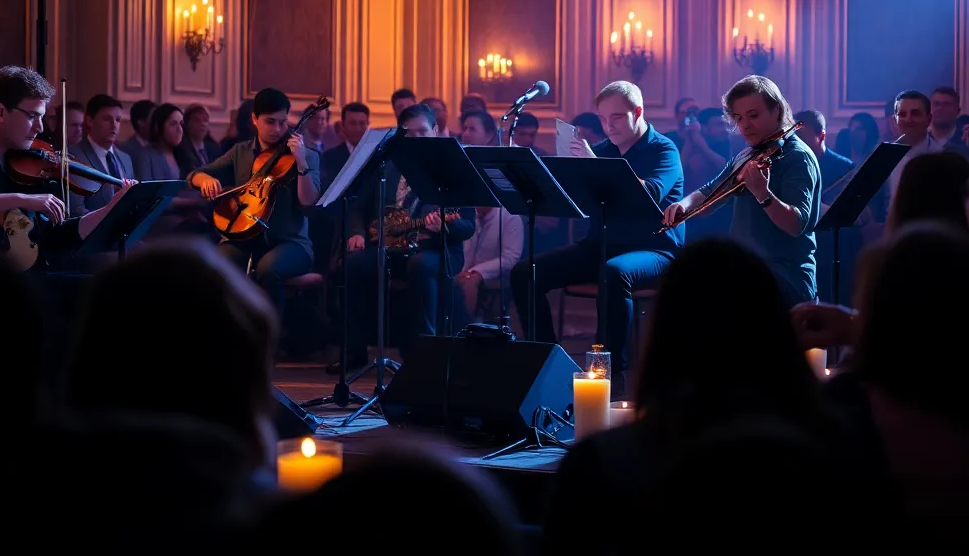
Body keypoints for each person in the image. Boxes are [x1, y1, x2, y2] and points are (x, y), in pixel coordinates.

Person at [509, 81, 683, 393]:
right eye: (602, 119)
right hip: (600, 245)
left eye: (615, 118)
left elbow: (652, 193)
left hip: (654, 249)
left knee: (614, 272)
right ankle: (547, 362)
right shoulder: (600, 151)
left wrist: (595, 166)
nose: (607, 126)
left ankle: (610, 372)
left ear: (638, 112)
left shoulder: (663, 148)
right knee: (525, 272)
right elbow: (574, 201)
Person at [0, 65, 135, 270]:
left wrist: (109, 210)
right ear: (1, 112)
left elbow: (54, 238)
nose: (40, 127)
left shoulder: (31, 164)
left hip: (32, 274)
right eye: (32, 116)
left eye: (42, 117)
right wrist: (23, 199)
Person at [664, 75, 821, 307]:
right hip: (748, 268)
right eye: (738, 118)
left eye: (753, 116)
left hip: (787, 276)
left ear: (776, 111)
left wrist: (762, 194)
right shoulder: (747, 155)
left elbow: (795, 224)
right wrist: (683, 206)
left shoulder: (797, 157)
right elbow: (710, 193)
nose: (744, 125)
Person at [341, 103, 475, 367]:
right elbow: (358, 205)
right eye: (408, 134)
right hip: (390, 245)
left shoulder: (453, 166)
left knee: (421, 265)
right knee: (353, 263)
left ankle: (425, 353)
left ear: (435, 131)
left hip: (436, 249)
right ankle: (354, 352)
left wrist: (445, 226)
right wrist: (356, 233)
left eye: (422, 132)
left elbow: (467, 225)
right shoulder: (387, 164)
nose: (415, 139)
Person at [189, 88, 321, 309]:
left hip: (291, 242)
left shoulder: (307, 155)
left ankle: (268, 337)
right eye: (270, 122)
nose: (278, 130)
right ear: (254, 119)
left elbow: (308, 203)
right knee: (217, 262)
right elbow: (194, 175)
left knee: (269, 268)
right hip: (244, 237)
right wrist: (204, 180)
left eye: (283, 122)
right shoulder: (240, 152)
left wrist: (301, 164)